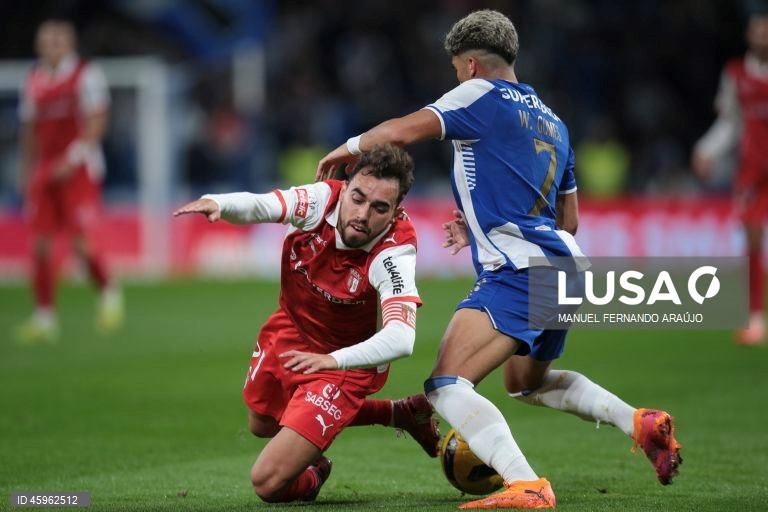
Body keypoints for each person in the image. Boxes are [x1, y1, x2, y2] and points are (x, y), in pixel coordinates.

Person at [317, 10, 681, 509]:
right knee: (525, 382)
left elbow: (400, 132)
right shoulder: (554, 122)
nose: (456, 80)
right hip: (566, 267)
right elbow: (569, 219)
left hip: (520, 271)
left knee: (445, 384)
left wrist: (347, 149)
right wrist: (480, 225)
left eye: (455, 70)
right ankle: (637, 422)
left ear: (469, 65)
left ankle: (526, 485)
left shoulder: (477, 94)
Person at [173, 144, 439, 503]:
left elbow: (401, 338)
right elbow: (265, 205)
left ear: (395, 211)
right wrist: (220, 203)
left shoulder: (394, 252)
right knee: (262, 423)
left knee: (268, 482)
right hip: (292, 329)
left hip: (345, 362)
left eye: (379, 208)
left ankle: (313, 476)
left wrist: (334, 361)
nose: (362, 215)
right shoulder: (319, 201)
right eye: (358, 199)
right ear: (345, 187)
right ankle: (401, 413)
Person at [16, 19, 123, 343]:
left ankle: (109, 294)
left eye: (58, 41)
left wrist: (73, 157)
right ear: (38, 46)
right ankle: (44, 318)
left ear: (70, 44)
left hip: (79, 170)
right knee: (40, 246)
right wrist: (27, 171)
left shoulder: (85, 74)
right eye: (47, 41)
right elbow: (29, 130)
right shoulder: (33, 80)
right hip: (46, 172)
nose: (53, 47)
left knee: (81, 244)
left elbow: (98, 120)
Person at [692, 8, 768, 345]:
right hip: (753, 170)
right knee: (752, 239)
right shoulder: (736, 74)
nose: (763, 37)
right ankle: (755, 317)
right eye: (758, 31)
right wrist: (707, 149)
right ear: (749, 35)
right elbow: (731, 122)